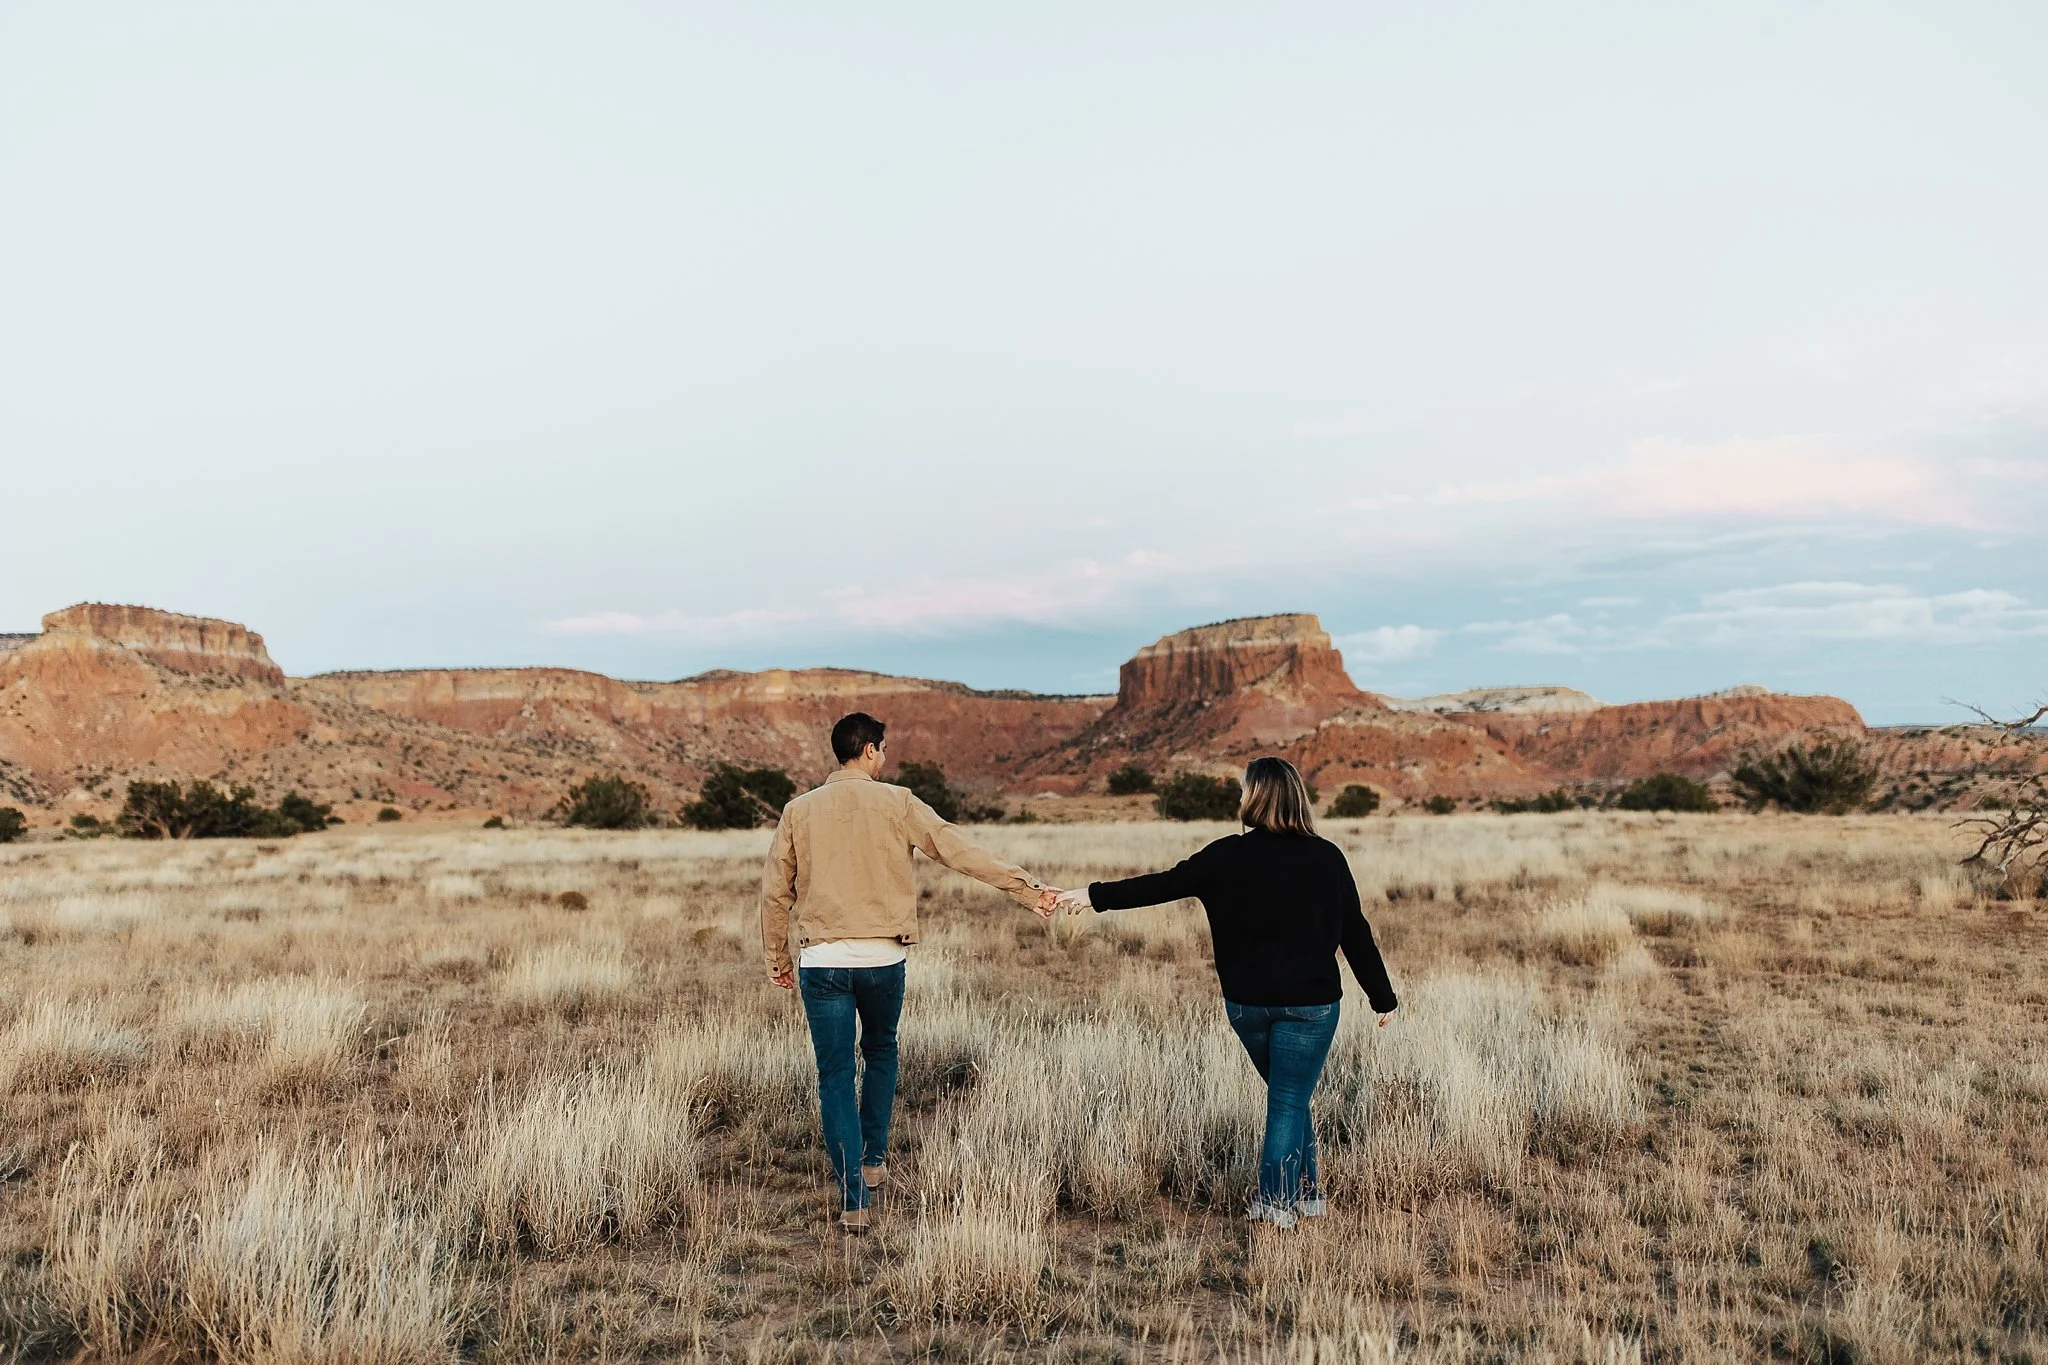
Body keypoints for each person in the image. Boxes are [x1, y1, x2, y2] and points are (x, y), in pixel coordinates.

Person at [1058, 756, 1397, 1229]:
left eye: (1243, 790)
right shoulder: (1326, 857)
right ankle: (1276, 1207)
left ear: (1255, 797)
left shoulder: (1225, 855)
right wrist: (1382, 997)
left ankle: (1307, 1196)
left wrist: (1092, 896)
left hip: (1247, 1005)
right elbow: (1355, 932)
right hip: (1311, 1007)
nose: (1240, 797)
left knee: (1289, 1098)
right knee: (1288, 1100)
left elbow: (1161, 885)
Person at [760, 711, 1062, 1234]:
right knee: (880, 1050)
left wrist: (777, 959)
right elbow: (957, 849)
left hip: (823, 962)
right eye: (883, 749)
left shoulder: (798, 810)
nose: (884, 757)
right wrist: (1026, 890)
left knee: (834, 1076)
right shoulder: (898, 802)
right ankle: (874, 1160)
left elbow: (774, 892)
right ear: (870, 750)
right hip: (883, 961)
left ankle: (853, 1199)